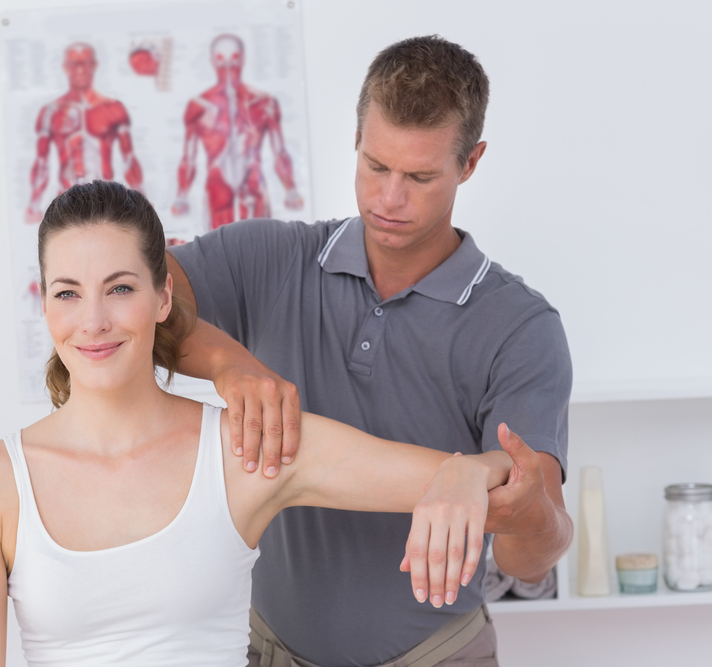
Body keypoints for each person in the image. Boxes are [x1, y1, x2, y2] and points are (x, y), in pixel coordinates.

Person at [0, 180, 523, 667]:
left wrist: (472, 469)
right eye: (67, 293)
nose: (93, 321)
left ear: (163, 298)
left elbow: (501, 484)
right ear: (44, 306)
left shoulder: (246, 449)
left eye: (120, 288)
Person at [167, 35, 575, 665]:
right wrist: (231, 365)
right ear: (356, 139)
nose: (389, 199)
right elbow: (137, 296)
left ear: (470, 163)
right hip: (266, 649)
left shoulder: (521, 327)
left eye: (419, 176)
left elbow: (536, 550)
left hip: (438, 654)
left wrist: (507, 497)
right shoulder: (273, 259)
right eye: (375, 165)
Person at [170, 34, 303, 229]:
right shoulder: (198, 106)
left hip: (253, 188)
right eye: (221, 59)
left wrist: (290, 190)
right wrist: (181, 196)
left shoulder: (264, 103)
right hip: (217, 191)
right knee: (216, 253)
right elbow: (188, 157)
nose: (229, 66)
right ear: (213, 61)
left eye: (234, 58)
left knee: (261, 251)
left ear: (243, 59)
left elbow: (279, 151)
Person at [24, 42, 144, 224]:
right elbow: (41, 163)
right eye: (74, 64)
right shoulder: (50, 112)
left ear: (94, 66)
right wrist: (33, 204)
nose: (80, 70)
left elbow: (129, 159)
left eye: (85, 63)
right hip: (65, 209)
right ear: (65, 67)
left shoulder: (113, 109)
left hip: (109, 208)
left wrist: (142, 202)